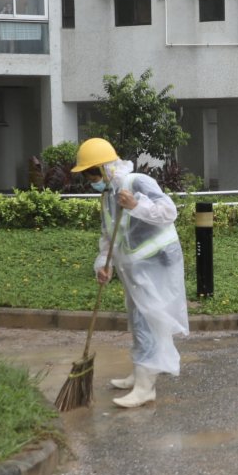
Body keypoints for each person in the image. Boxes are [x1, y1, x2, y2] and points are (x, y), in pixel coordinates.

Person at [73, 137, 188, 408]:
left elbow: (169, 212)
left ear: (106, 168)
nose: (90, 181)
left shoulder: (137, 182)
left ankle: (146, 387)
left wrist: (137, 205)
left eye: (92, 174)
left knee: (149, 320)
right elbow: (108, 234)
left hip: (156, 264)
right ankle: (139, 373)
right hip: (134, 267)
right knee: (137, 320)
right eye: (87, 176)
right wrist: (104, 264)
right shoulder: (107, 196)